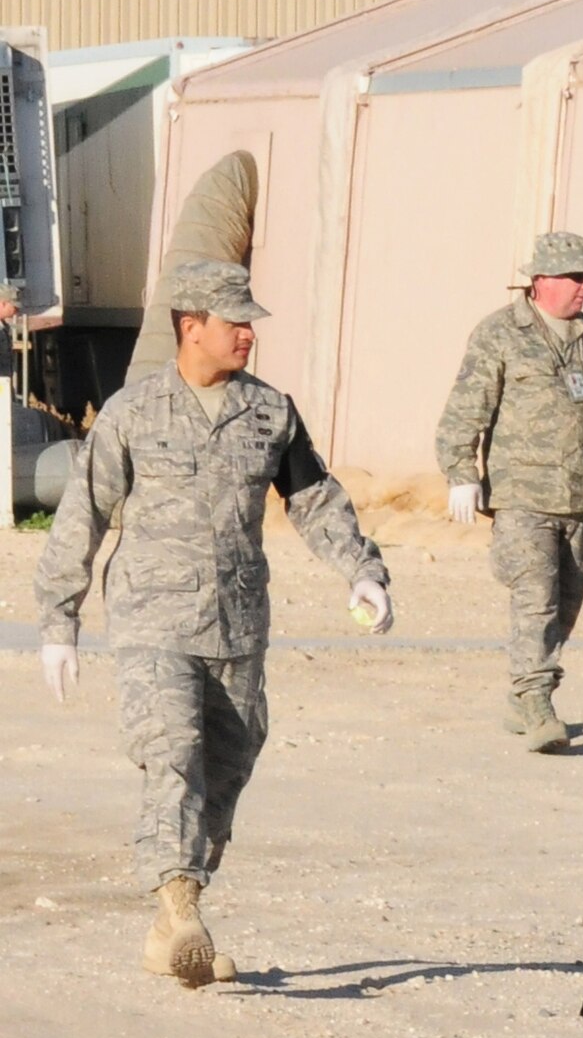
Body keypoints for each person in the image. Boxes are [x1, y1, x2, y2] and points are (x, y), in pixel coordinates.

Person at [34, 259, 392, 988]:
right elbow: (84, 515)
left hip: (237, 626)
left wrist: (363, 571)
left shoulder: (270, 412)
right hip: (151, 623)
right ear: (189, 327)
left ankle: (172, 923)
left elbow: (314, 500)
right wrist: (58, 621)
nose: (248, 337)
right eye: (235, 323)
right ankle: (181, 905)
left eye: (251, 324)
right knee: (173, 755)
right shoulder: (134, 413)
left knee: (225, 771)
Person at [436, 230, 583, 753]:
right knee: (535, 599)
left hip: (580, 497)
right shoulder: (499, 334)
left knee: (569, 598)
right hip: (522, 497)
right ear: (541, 281)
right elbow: (466, 410)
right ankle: (537, 702)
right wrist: (461, 472)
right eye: (576, 277)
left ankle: (523, 695)